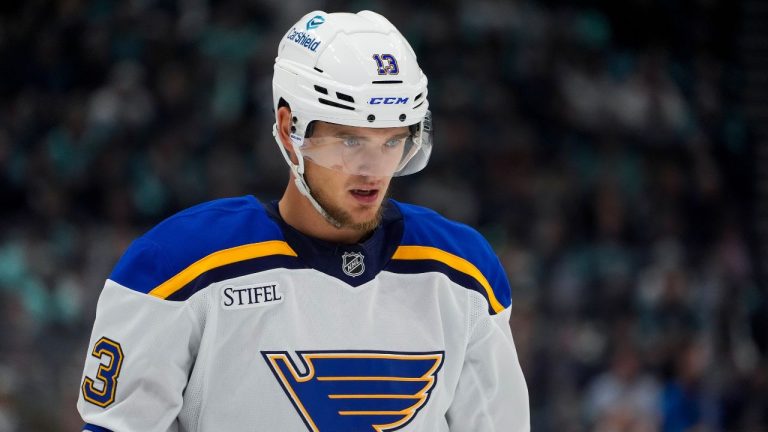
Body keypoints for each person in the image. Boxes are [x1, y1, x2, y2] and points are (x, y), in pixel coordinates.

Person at [77, 10, 530, 432]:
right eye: (350, 141)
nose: (373, 171)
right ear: (290, 129)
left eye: (392, 142)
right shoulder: (175, 266)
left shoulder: (463, 271)